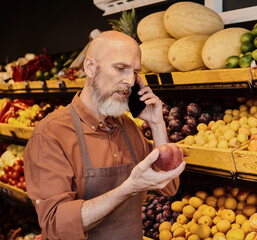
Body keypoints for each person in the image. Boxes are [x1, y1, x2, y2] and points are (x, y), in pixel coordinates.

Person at [23, 31, 186, 239]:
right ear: (90, 67)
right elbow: (56, 224)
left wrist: (157, 124)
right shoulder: (51, 134)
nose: (129, 80)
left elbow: (169, 186)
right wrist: (127, 189)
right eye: (120, 68)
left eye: (135, 72)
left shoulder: (128, 127)